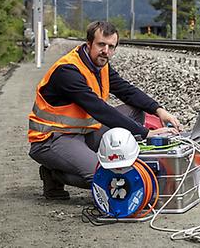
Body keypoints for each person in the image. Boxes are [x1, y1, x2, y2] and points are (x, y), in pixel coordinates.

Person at [28, 21, 180, 200]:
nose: (105, 51)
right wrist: (146, 133)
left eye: (111, 47)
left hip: (82, 132)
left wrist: (159, 110)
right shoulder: (68, 71)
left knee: (136, 112)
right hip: (52, 139)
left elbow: (126, 90)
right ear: (89, 43)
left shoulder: (100, 66)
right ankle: (53, 174)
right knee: (107, 177)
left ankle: (97, 159)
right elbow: (100, 110)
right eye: (101, 44)